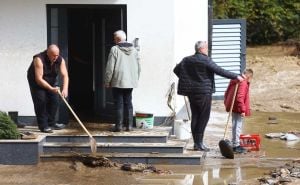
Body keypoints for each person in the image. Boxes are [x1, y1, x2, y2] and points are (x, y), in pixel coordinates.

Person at [173, 41, 244, 151]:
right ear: (201, 49)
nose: (208, 50)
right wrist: (236, 76)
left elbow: (176, 70)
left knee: (195, 116)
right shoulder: (205, 60)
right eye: (206, 48)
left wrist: (188, 79)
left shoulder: (186, 60)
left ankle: (197, 143)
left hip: (191, 92)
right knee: (203, 117)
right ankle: (199, 143)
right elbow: (219, 71)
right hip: (203, 92)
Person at [27, 44, 69, 133]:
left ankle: (51, 123)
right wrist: (50, 88)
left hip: (51, 79)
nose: (56, 57)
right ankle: (43, 126)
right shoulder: (38, 59)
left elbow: (65, 75)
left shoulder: (60, 60)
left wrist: (65, 89)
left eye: (57, 55)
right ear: (47, 53)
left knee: (55, 101)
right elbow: (39, 79)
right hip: (36, 81)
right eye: (53, 55)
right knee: (41, 101)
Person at [105, 30, 141, 132]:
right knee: (128, 103)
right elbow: (139, 67)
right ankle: (129, 126)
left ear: (117, 39)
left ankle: (119, 126)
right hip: (130, 82)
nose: (114, 40)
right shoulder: (134, 50)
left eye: (114, 39)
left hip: (118, 81)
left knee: (118, 103)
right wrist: (135, 79)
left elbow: (110, 67)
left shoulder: (115, 49)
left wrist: (107, 81)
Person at [224, 69, 253, 153]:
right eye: (250, 78)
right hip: (238, 108)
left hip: (234, 106)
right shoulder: (243, 83)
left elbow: (226, 93)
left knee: (234, 125)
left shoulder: (235, 80)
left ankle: (234, 143)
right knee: (238, 126)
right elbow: (239, 98)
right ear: (249, 76)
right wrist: (243, 110)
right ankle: (236, 145)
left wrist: (227, 103)